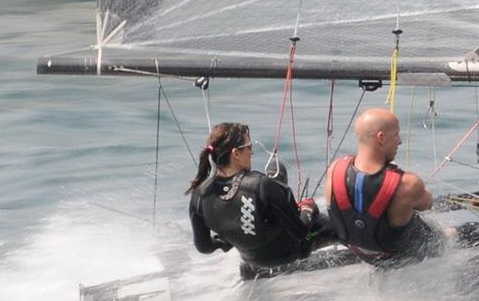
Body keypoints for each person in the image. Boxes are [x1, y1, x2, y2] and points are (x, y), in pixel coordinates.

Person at [187, 122, 337, 278]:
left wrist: (229, 239)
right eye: (249, 147)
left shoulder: (199, 195)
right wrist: (308, 209)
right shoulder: (261, 185)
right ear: (236, 153)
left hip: (251, 259)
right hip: (290, 252)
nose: (252, 153)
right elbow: (300, 231)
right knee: (341, 226)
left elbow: (204, 247)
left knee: (275, 181)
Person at [325, 108, 442, 266]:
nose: (399, 141)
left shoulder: (335, 170)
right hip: (402, 257)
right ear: (381, 138)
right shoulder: (407, 184)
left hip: (360, 251)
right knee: (451, 234)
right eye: (396, 135)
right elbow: (427, 204)